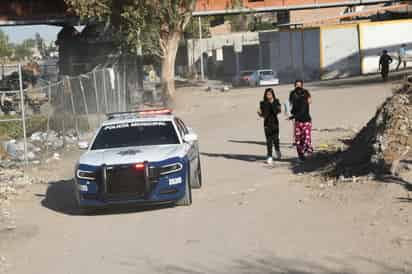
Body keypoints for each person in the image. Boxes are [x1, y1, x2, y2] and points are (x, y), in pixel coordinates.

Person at [289, 81, 313, 162]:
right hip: (297, 121)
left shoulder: (305, 93)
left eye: (299, 86)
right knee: (298, 140)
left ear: (302, 86)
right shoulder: (293, 94)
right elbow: (292, 106)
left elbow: (308, 103)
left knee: (306, 137)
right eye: (296, 85)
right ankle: (300, 156)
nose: (298, 87)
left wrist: (293, 116)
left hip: (306, 120)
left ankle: (307, 151)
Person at [258, 88, 282, 165]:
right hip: (267, 124)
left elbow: (278, 111)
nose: (268, 95)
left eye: (270, 94)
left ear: (272, 95)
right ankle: (269, 156)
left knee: (276, 139)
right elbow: (263, 115)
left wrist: (274, 104)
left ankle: (277, 150)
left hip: (275, 123)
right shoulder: (262, 103)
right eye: (267, 94)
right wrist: (259, 114)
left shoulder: (276, 101)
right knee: (268, 141)